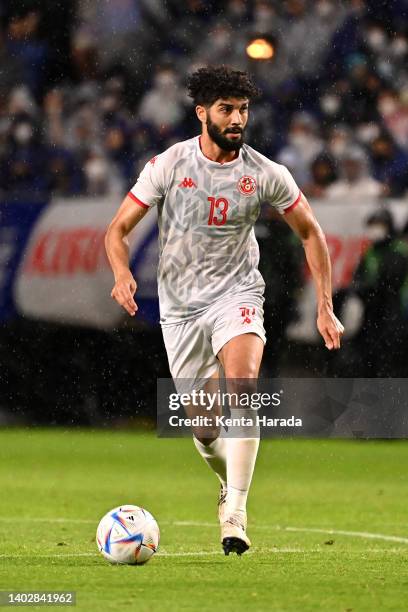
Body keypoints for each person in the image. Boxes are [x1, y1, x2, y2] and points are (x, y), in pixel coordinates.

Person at [105, 66, 344, 556]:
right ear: (202, 113)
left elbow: (310, 232)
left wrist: (325, 305)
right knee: (205, 426)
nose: (237, 119)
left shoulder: (264, 173)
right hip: (180, 309)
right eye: (226, 109)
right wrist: (122, 274)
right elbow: (117, 230)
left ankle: (235, 512)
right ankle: (226, 483)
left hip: (237, 294)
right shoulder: (170, 165)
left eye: (243, 110)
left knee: (243, 386)